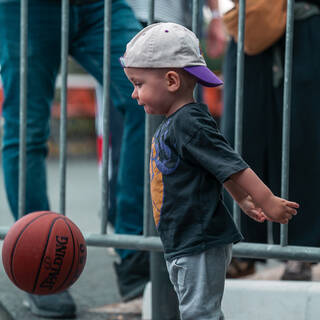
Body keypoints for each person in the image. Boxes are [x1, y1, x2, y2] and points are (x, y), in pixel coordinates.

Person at [121, 22, 299, 319]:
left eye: (139, 84)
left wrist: (266, 199)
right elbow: (217, 167)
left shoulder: (189, 123)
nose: (134, 94)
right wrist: (241, 200)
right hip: (184, 239)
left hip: (198, 241)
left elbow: (232, 164)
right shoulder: (176, 122)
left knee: (199, 313)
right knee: (197, 311)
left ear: (172, 81)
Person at [0, 0, 147, 317]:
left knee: (151, 96)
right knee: (27, 127)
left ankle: (135, 250)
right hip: (27, 8)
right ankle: (38, 263)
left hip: (100, 5)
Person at [206, 0, 320, 280]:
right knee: (241, 135)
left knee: (301, 138)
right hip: (248, 22)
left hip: (305, 18)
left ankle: (301, 250)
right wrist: (219, 13)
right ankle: (243, 248)